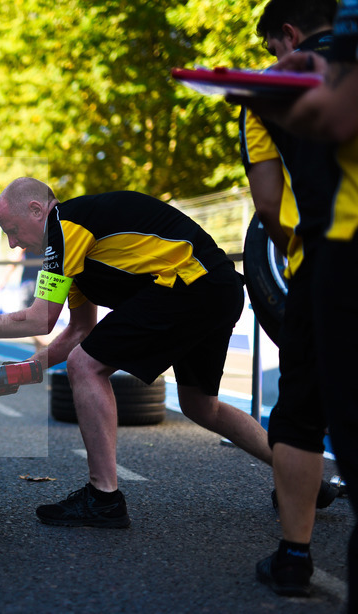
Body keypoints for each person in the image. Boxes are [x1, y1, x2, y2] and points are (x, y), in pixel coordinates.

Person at [0, 177, 273, 529]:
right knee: (200, 405)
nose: (13, 244)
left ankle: (104, 498)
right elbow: (79, 330)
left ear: (36, 209)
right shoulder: (74, 248)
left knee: (85, 366)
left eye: (12, 230)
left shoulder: (64, 225)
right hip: (214, 289)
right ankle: (298, 475)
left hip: (188, 284)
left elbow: (40, 319)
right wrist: (27, 368)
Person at [235, 2, 358, 606]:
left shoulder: (267, 92)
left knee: (303, 416)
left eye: (272, 50)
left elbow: (265, 205)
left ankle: (293, 559)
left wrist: (292, 244)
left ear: (288, 34)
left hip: (330, 263)